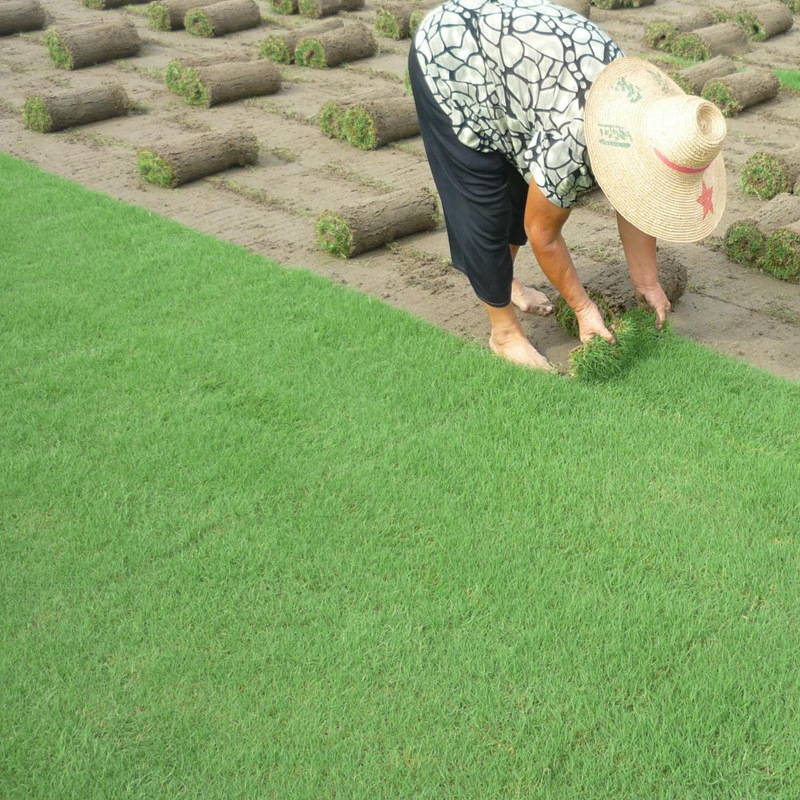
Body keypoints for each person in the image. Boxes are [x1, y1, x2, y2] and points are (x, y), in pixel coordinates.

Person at [408, 0, 727, 369]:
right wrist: (583, 308)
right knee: (487, 208)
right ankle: (504, 333)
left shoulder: (647, 111)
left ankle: (505, 282)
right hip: (452, 59)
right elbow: (541, 232)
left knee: (517, 194)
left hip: (520, 74)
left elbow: (635, 197)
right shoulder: (575, 140)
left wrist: (648, 281)